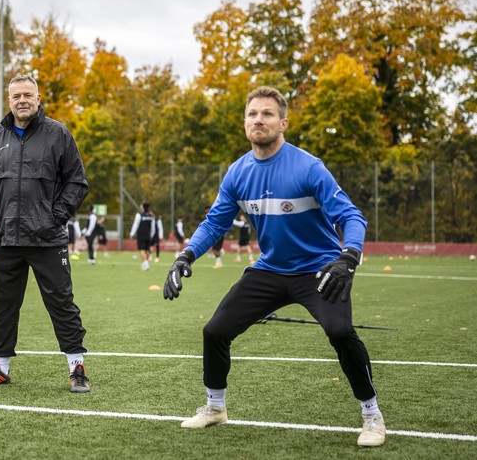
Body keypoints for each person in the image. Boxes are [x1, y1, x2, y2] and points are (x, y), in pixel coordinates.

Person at [162, 86, 385, 448]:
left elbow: (351, 216)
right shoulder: (237, 173)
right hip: (269, 270)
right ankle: (215, 407)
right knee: (215, 331)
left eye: (267, 114)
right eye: (252, 114)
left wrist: (349, 256)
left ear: (283, 122)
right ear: (245, 122)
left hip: (319, 269)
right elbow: (215, 223)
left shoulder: (309, 167)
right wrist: (185, 255)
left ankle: (372, 414)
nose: (258, 120)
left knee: (341, 332)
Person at [0, 75, 90, 393]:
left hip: (47, 238)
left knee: (62, 303)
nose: (22, 100)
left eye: (27, 95)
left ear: (38, 98)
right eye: (15, 96)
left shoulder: (58, 134)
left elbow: (77, 181)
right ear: (9, 101)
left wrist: (57, 216)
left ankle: (77, 369)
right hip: (4, 238)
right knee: (3, 304)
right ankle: (0, 368)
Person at [129, 201, 155, 271]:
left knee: (142, 250)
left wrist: (132, 233)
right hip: (148, 236)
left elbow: (136, 225)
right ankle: (145, 263)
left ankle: (146, 263)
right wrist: (152, 234)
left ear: (142, 206)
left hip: (141, 235)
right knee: (147, 250)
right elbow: (153, 227)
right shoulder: (150, 216)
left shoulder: (139, 215)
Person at [205, 204, 225, 269]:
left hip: (218, 234)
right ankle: (219, 263)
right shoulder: (214, 214)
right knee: (216, 249)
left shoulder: (213, 215)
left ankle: (218, 263)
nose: (206, 211)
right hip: (219, 233)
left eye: (207, 210)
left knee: (215, 249)